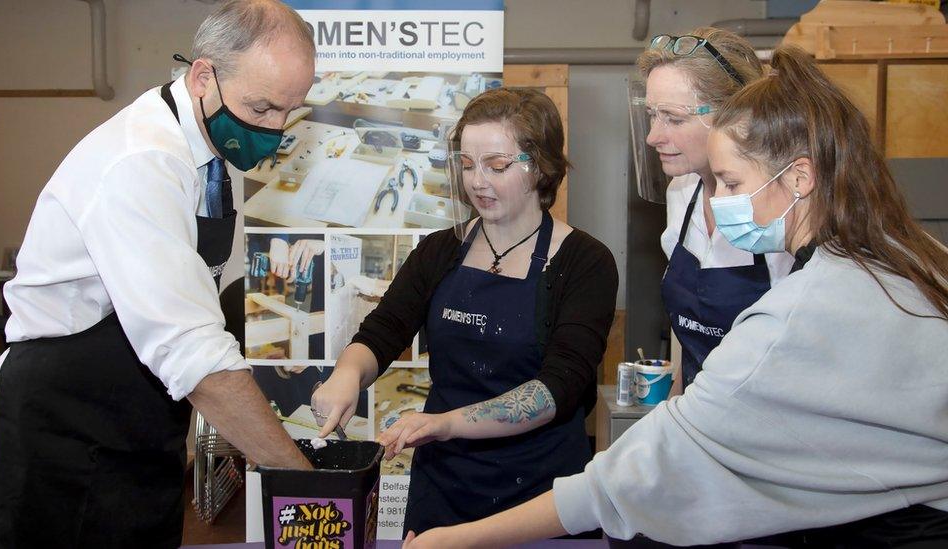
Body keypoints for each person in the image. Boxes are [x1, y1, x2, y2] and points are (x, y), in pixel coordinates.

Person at [403, 45, 948, 549]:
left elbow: (624, 479)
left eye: (732, 183)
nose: (723, 200)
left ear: (800, 175)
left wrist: (456, 540)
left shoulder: (790, 317)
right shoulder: (899, 256)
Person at [0, 1, 316, 547]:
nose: (274, 130)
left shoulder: (201, 149)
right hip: (64, 436)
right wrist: (298, 478)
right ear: (204, 75)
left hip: (138, 427)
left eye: (289, 111)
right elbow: (191, 349)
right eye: (261, 108)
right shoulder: (142, 161)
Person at [312, 88, 618, 535]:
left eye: (496, 166)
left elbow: (557, 390)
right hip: (445, 488)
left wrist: (445, 424)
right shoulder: (441, 251)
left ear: (541, 167)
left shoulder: (584, 262)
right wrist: (346, 375)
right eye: (467, 164)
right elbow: (383, 331)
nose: (477, 182)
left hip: (541, 494)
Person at [633, 28, 795, 394]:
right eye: (651, 116)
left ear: (733, 115)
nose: (653, 136)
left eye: (673, 118)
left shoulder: (780, 206)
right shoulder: (681, 193)